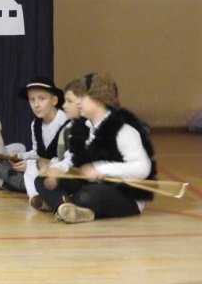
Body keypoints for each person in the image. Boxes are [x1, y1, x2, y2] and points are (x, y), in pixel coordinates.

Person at [36, 73, 156, 223]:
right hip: (92, 185)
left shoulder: (123, 130)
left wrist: (101, 169)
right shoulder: (85, 127)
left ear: (99, 100)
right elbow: (71, 158)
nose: (78, 102)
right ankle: (66, 207)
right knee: (42, 179)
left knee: (90, 194)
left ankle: (63, 204)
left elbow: (143, 168)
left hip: (124, 195)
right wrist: (57, 169)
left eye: (82, 98)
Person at [0, 77, 69, 202]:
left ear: (54, 100)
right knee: (0, 164)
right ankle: (34, 193)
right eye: (32, 100)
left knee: (31, 166)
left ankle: (37, 193)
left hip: (61, 169)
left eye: (41, 99)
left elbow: (67, 158)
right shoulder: (35, 124)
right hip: (42, 168)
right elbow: (37, 153)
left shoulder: (65, 122)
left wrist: (32, 164)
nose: (36, 105)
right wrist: (19, 156)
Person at [30, 77, 91, 211]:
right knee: (41, 180)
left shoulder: (87, 126)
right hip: (75, 176)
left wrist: (56, 169)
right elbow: (68, 156)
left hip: (90, 180)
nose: (64, 106)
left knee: (86, 196)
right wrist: (53, 169)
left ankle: (59, 203)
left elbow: (74, 159)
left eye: (69, 101)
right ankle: (63, 204)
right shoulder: (70, 127)